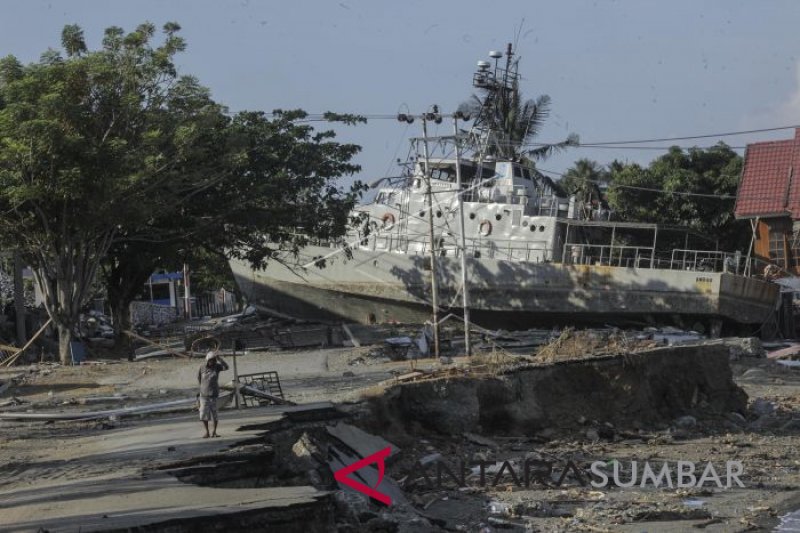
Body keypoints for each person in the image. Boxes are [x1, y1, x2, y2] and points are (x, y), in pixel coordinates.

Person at [198, 351, 229, 438]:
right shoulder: (202, 367)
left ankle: (214, 432)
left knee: (214, 414)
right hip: (203, 395)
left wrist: (220, 359)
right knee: (203, 415)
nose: (212, 362)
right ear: (207, 360)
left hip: (214, 395)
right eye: (211, 360)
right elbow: (199, 378)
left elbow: (226, 367)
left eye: (214, 360)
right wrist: (202, 388)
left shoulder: (217, 367)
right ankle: (207, 432)